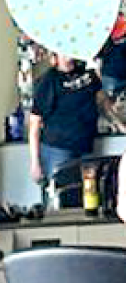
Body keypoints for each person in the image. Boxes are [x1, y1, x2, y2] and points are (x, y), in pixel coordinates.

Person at [28, 50, 126, 201]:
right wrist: (35, 162)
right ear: (55, 55)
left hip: (84, 145)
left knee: (86, 195)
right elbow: (34, 124)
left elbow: (103, 103)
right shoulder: (48, 81)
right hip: (58, 148)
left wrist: (119, 125)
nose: (68, 54)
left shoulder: (88, 75)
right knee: (59, 196)